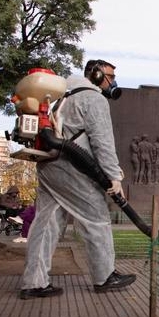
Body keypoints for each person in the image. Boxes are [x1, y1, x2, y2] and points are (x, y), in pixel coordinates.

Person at [19, 59, 136, 299]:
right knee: (97, 219)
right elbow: (102, 142)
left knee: (46, 223)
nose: (112, 82)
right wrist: (114, 177)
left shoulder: (60, 97)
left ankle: (34, 282)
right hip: (72, 168)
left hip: (48, 165)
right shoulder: (94, 99)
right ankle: (105, 276)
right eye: (110, 76)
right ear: (94, 74)